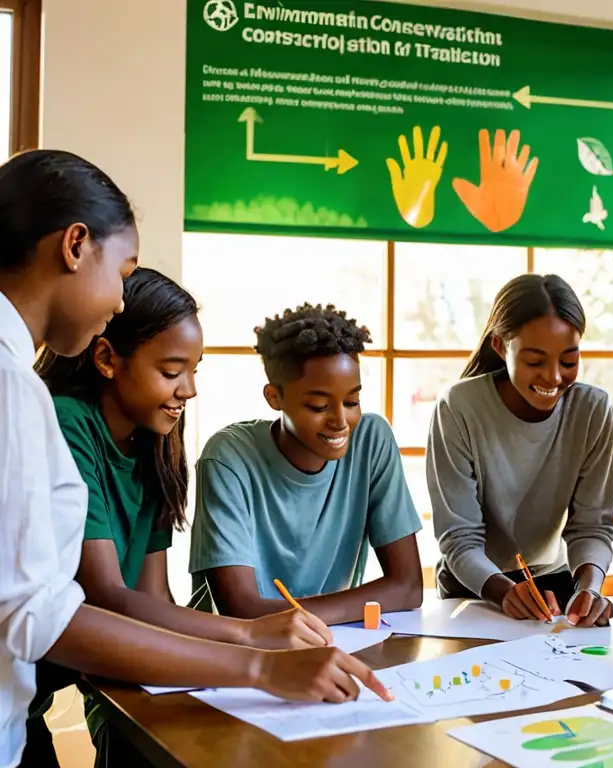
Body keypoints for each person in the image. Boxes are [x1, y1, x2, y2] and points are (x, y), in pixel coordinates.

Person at [0, 150, 388, 768]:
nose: (118, 302)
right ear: (75, 246)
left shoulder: (139, 439)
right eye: (121, 273)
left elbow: (144, 597)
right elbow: (50, 610)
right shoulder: (26, 397)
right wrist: (254, 656)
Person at [31, 267, 336, 765]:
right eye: (172, 372)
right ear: (107, 359)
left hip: (59, 677)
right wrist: (247, 638)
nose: (188, 389)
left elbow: (152, 596)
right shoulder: (67, 422)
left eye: (195, 370)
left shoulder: (152, 444)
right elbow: (107, 594)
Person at [190, 303, 423, 625]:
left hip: (336, 639)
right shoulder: (229, 458)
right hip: (239, 651)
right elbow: (240, 609)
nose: (341, 421)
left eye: (353, 401)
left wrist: (304, 619)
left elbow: (409, 587)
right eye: (318, 405)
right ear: (274, 398)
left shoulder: (371, 440)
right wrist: (369, 602)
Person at [427, 274, 613, 628]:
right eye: (534, 361)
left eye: (569, 360)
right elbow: (459, 536)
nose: (554, 377)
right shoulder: (458, 406)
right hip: (475, 587)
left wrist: (589, 588)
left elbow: (592, 526)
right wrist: (504, 591)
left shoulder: (593, 410)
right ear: (500, 346)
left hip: (555, 586)